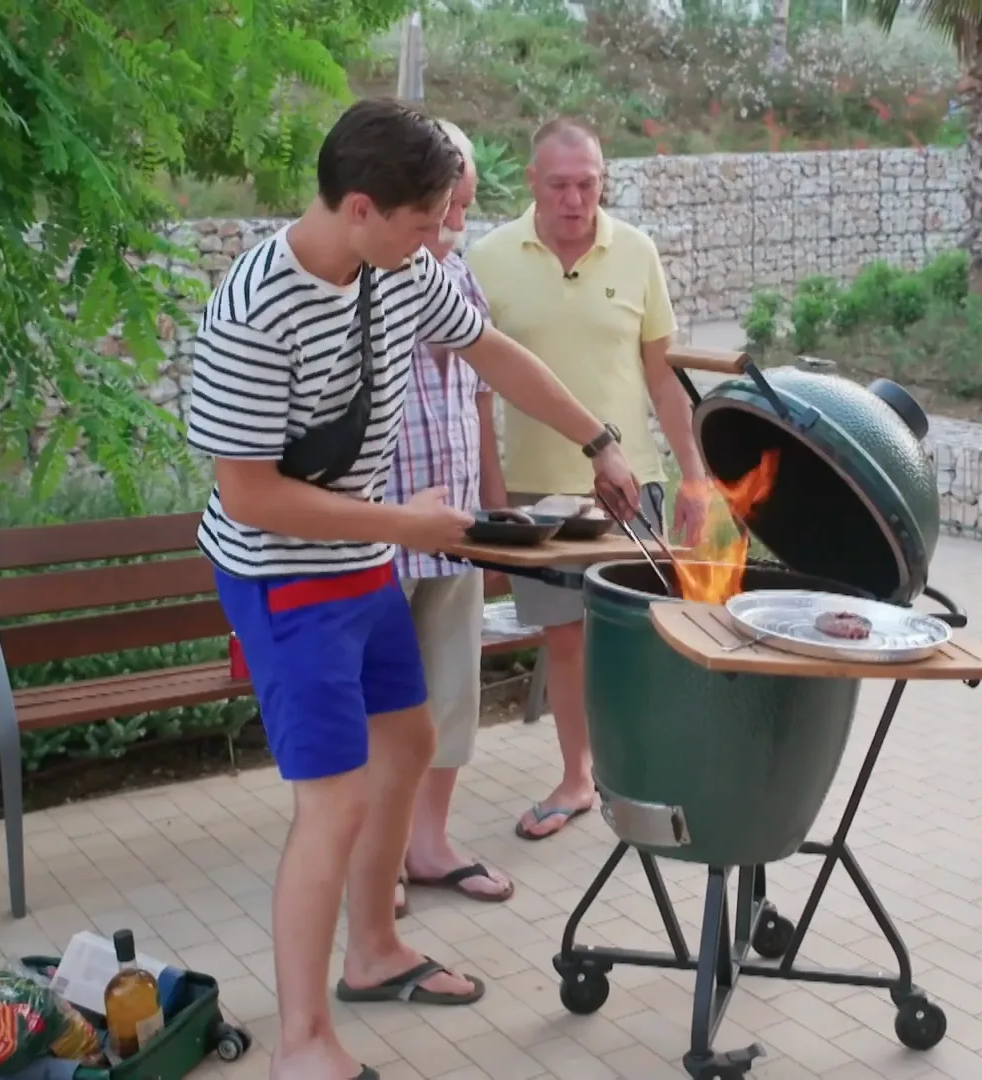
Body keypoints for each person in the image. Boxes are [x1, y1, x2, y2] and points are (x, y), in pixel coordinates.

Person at [185, 98, 640, 1080]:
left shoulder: (398, 272)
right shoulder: (252, 313)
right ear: (360, 208)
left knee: (408, 741)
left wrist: (598, 441)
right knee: (332, 804)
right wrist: (405, 525)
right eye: (427, 221)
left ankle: (376, 951)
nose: (441, 240)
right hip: (281, 578)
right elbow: (250, 494)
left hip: (360, 562)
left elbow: (492, 352)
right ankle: (303, 1044)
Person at [465, 117, 709, 841]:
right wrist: (493, 494)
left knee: (644, 634)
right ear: (531, 183)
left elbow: (664, 379)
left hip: (633, 487)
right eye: (559, 185)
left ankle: (649, 770)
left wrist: (695, 477)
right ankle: (578, 778)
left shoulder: (636, 252)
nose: (575, 200)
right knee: (566, 640)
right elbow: (477, 392)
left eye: (588, 184)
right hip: (537, 495)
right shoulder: (487, 259)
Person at [383, 119, 516, 907]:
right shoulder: (360, 280)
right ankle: (380, 860)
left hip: (456, 526)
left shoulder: (458, 276)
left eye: (465, 206)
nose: (457, 224)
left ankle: (429, 844)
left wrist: (493, 508)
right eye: (447, 207)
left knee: (453, 694)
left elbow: (482, 389)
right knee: (382, 706)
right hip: (381, 535)